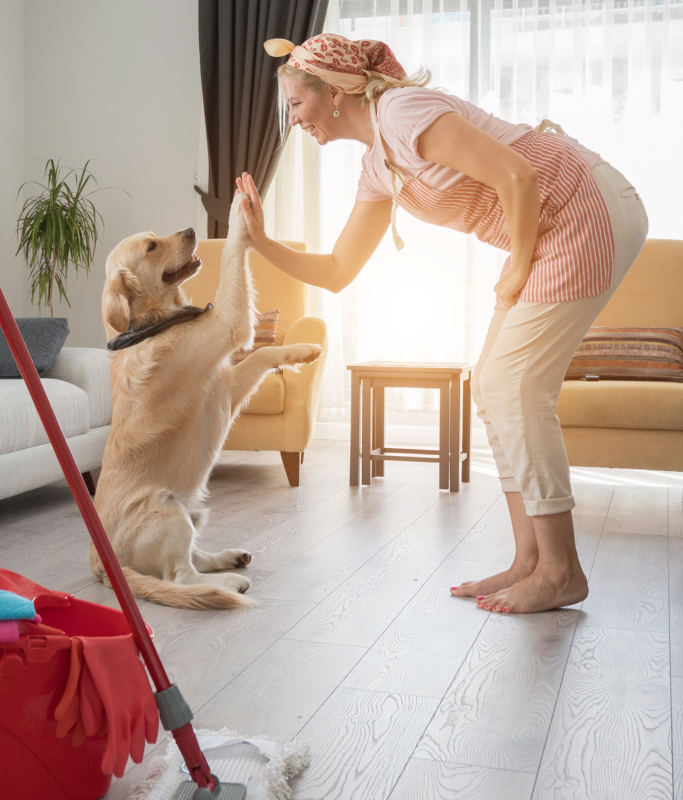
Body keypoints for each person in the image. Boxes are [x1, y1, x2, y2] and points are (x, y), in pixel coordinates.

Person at [233, 33, 648, 614]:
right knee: (495, 386)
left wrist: (518, 266)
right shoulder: (377, 164)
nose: (294, 120)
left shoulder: (403, 113)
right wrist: (262, 241)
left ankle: (561, 571)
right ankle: (530, 561)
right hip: (547, 225)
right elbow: (336, 270)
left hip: (584, 205)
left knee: (516, 387)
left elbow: (516, 176)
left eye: (296, 105)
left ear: (333, 94)